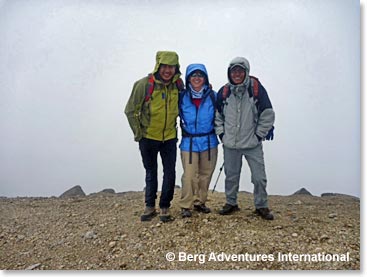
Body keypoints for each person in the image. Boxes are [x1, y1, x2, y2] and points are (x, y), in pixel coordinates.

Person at [124, 51, 183, 222]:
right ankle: (150, 206)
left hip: (170, 137)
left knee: (169, 172)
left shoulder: (178, 85)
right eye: (164, 66)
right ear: (158, 65)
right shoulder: (144, 84)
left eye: (171, 67)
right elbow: (130, 110)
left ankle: (165, 206)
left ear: (175, 68)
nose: (167, 70)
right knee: (151, 172)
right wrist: (139, 134)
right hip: (148, 137)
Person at [215, 57, 275, 220]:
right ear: (229, 73)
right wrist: (222, 134)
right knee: (231, 176)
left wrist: (257, 136)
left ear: (246, 72)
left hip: (252, 143)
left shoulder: (256, 90)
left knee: (258, 177)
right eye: (233, 71)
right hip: (230, 144)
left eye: (240, 71)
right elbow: (217, 116)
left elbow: (268, 114)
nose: (237, 74)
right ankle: (231, 202)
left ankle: (261, 205)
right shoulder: (224, 92)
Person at [178, 64, 219, 218]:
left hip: (209, 142)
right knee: (189, 175)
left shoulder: (213, 96)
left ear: (205, 78)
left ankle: (200, 202)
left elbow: (222, 116)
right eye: (193, 75)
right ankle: (185, 205)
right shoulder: (181, 96)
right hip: (189, 142)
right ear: (188, 78)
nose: (196, 78)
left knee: (205, 174)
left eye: (200, 75)